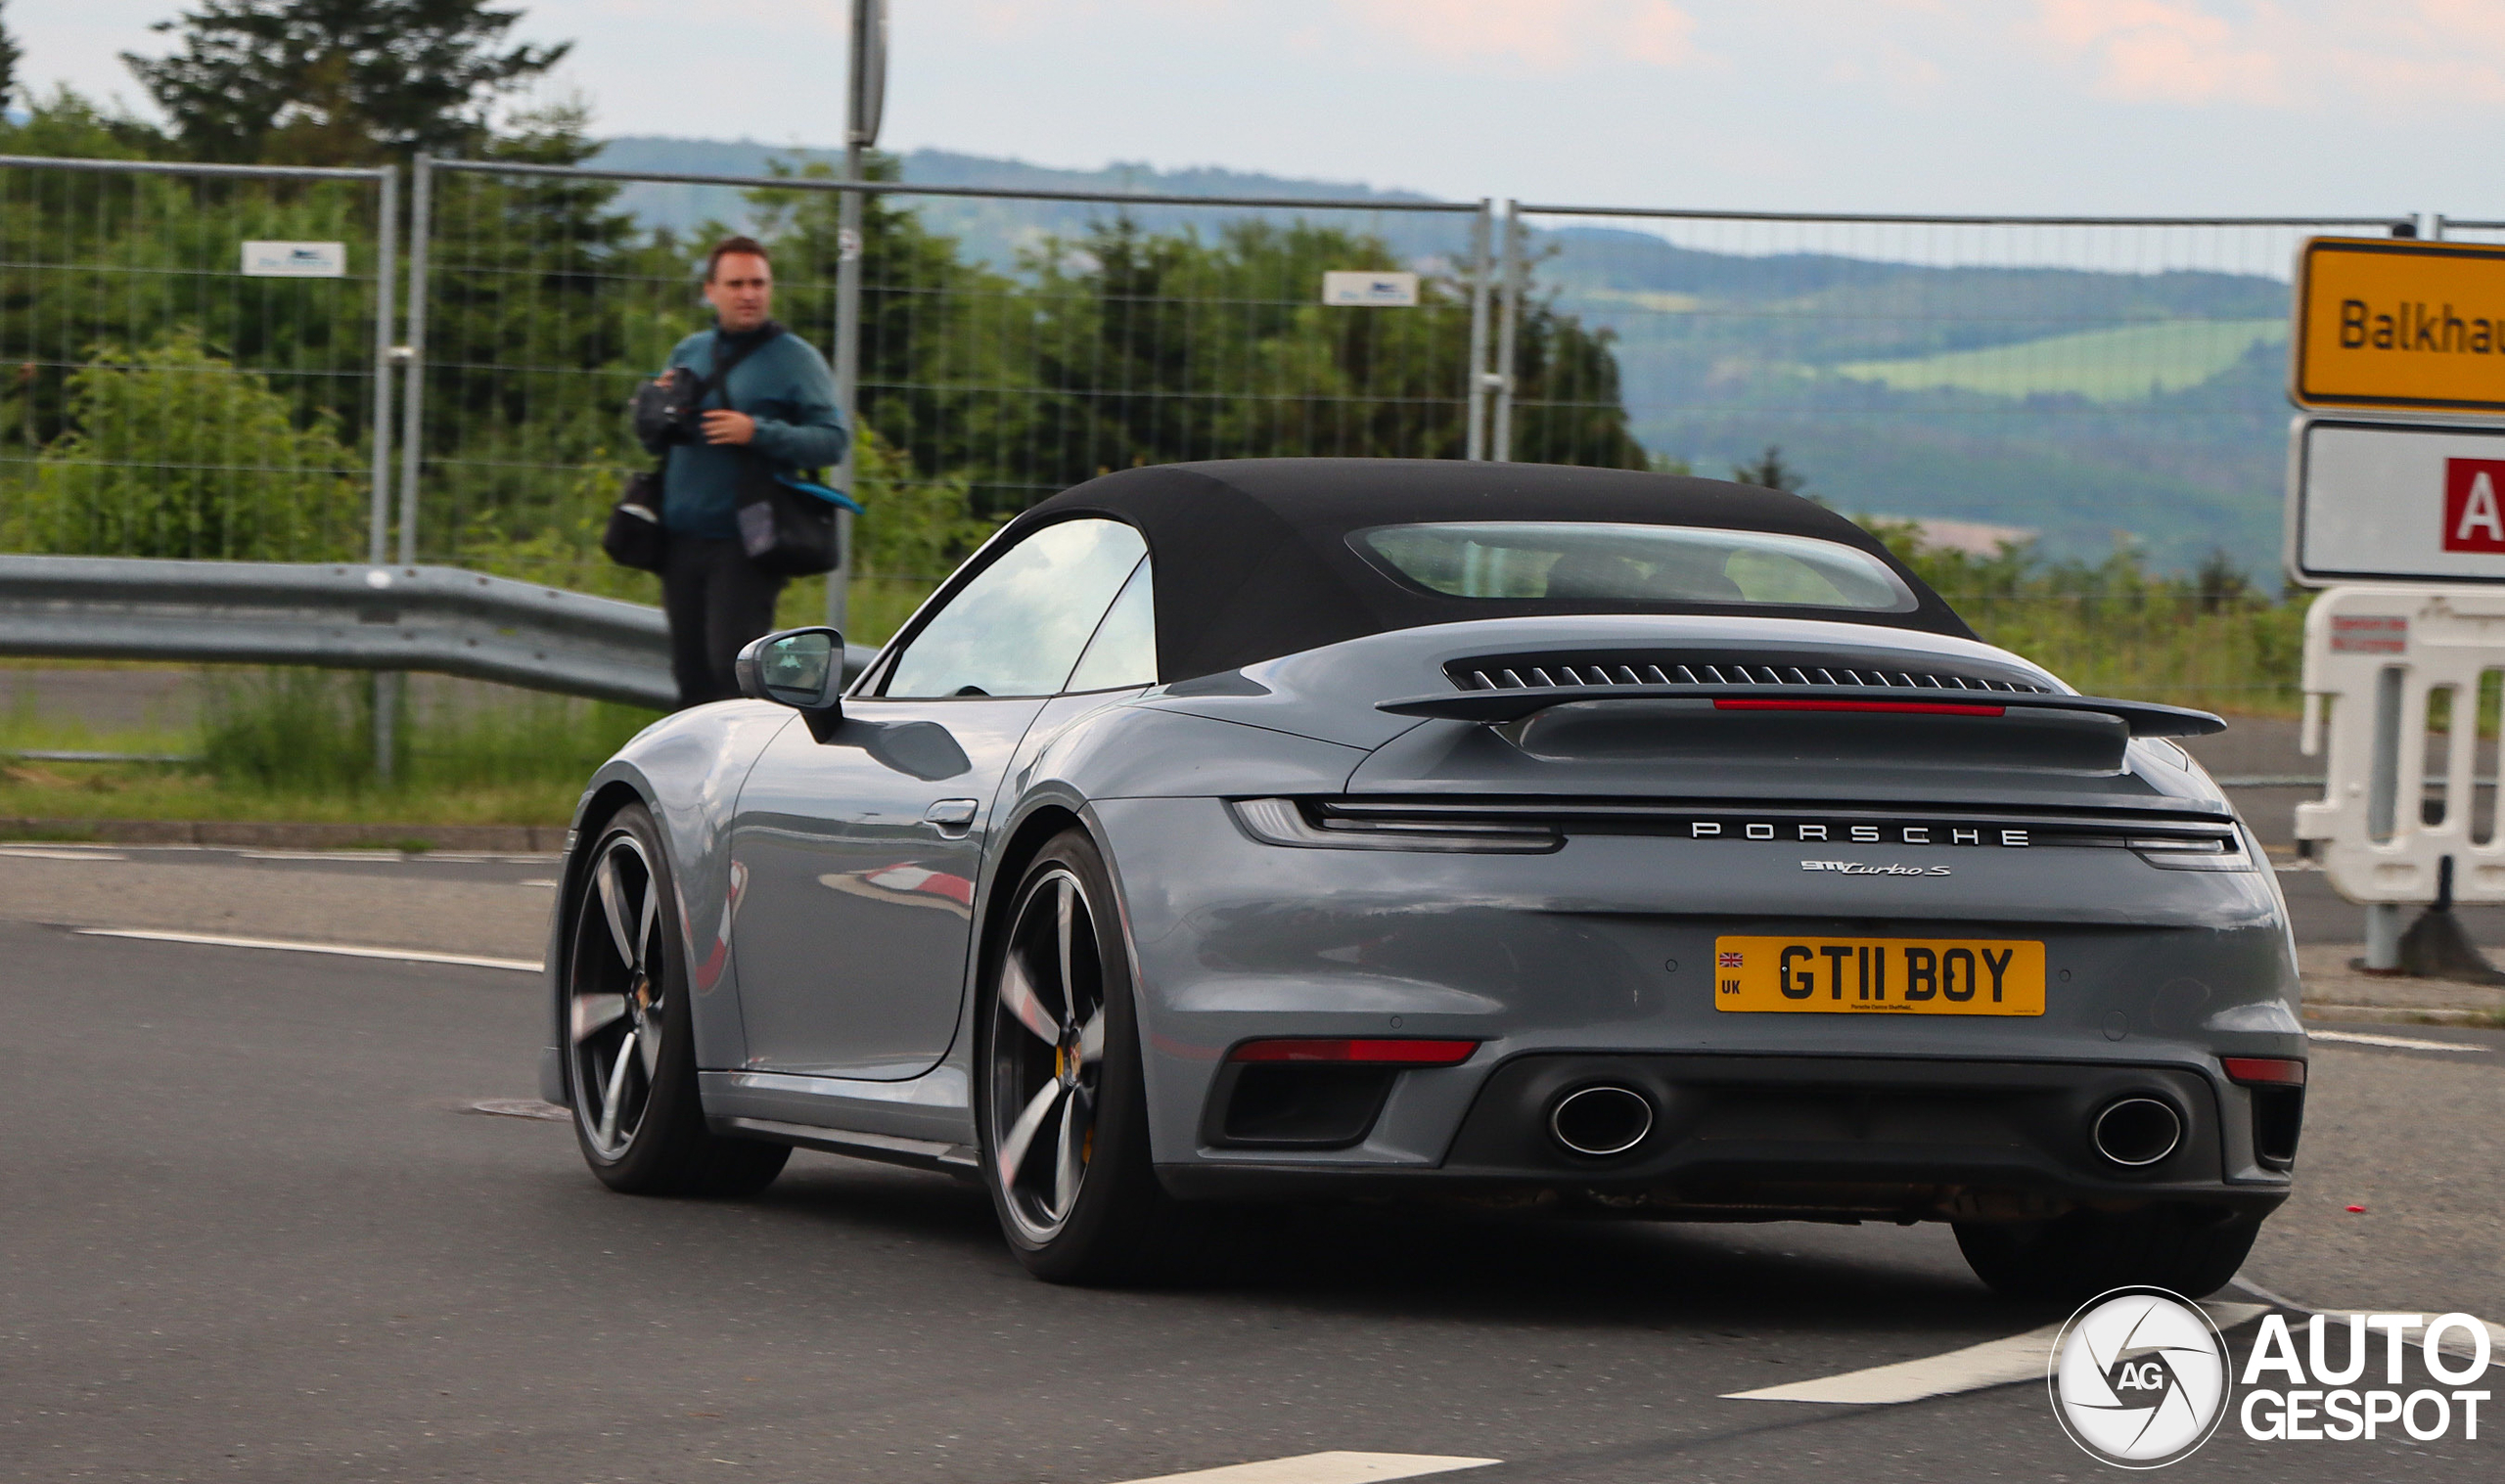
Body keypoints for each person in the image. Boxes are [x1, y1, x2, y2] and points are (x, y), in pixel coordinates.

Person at [639, 235, 846, 707]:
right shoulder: (689, 351)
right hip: (681, 538)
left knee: (730, 670)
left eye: (758, 283)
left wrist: (756, 431)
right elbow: (655, 437)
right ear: (710, 291)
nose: (748, 293)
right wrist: (652, 411)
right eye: (736, 284)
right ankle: (693, 780)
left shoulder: (794, 358)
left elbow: (832, 441)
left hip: (747, 541)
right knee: (690, 675)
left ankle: (738, 773)